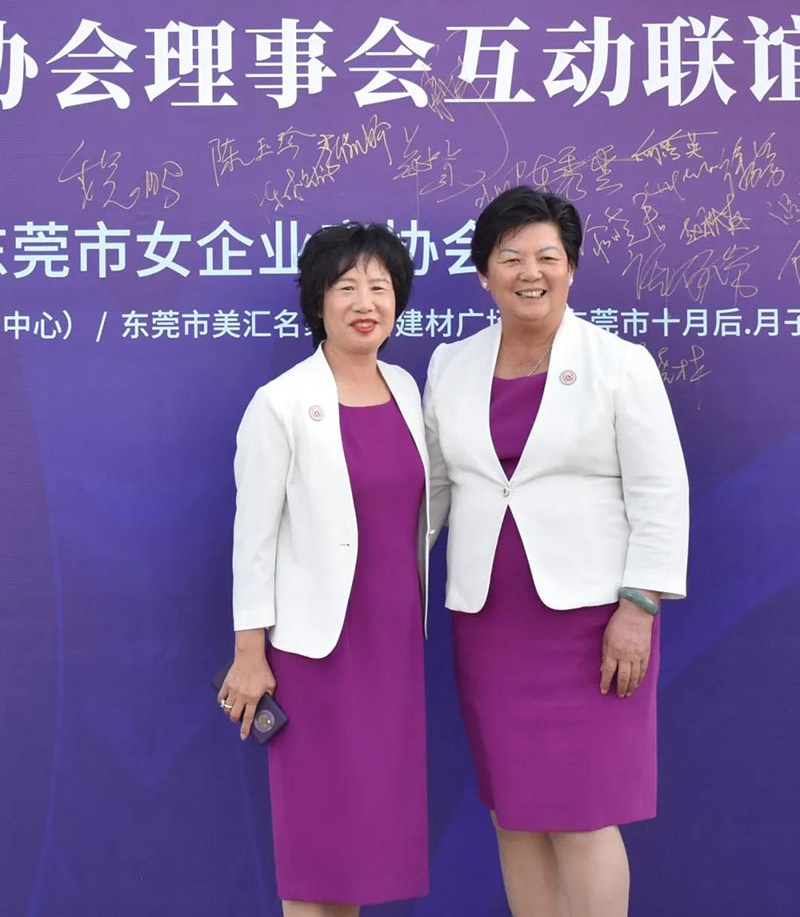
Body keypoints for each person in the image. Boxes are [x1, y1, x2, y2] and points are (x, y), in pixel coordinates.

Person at [424, 187, 689, 917]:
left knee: (581, 813)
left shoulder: (619, 363)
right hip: (490, 622)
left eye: (547, 256)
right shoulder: (452, 365)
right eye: (510, 257)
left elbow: (661, 492)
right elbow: (435, 489)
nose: (530, 272)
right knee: (513, 810)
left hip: (593, 625)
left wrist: (639, 606)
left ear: (571, 267)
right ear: (485, 272)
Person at [218, 223, 431, 917]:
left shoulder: (406, 388)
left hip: (393, 648)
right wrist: (250, 653)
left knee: (369, 843)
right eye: (346, 287)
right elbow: (253, 540)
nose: (365, 303)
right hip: (315, 654)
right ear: (318, 302)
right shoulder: (279, 403)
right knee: (317, 847)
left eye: (380, 287)